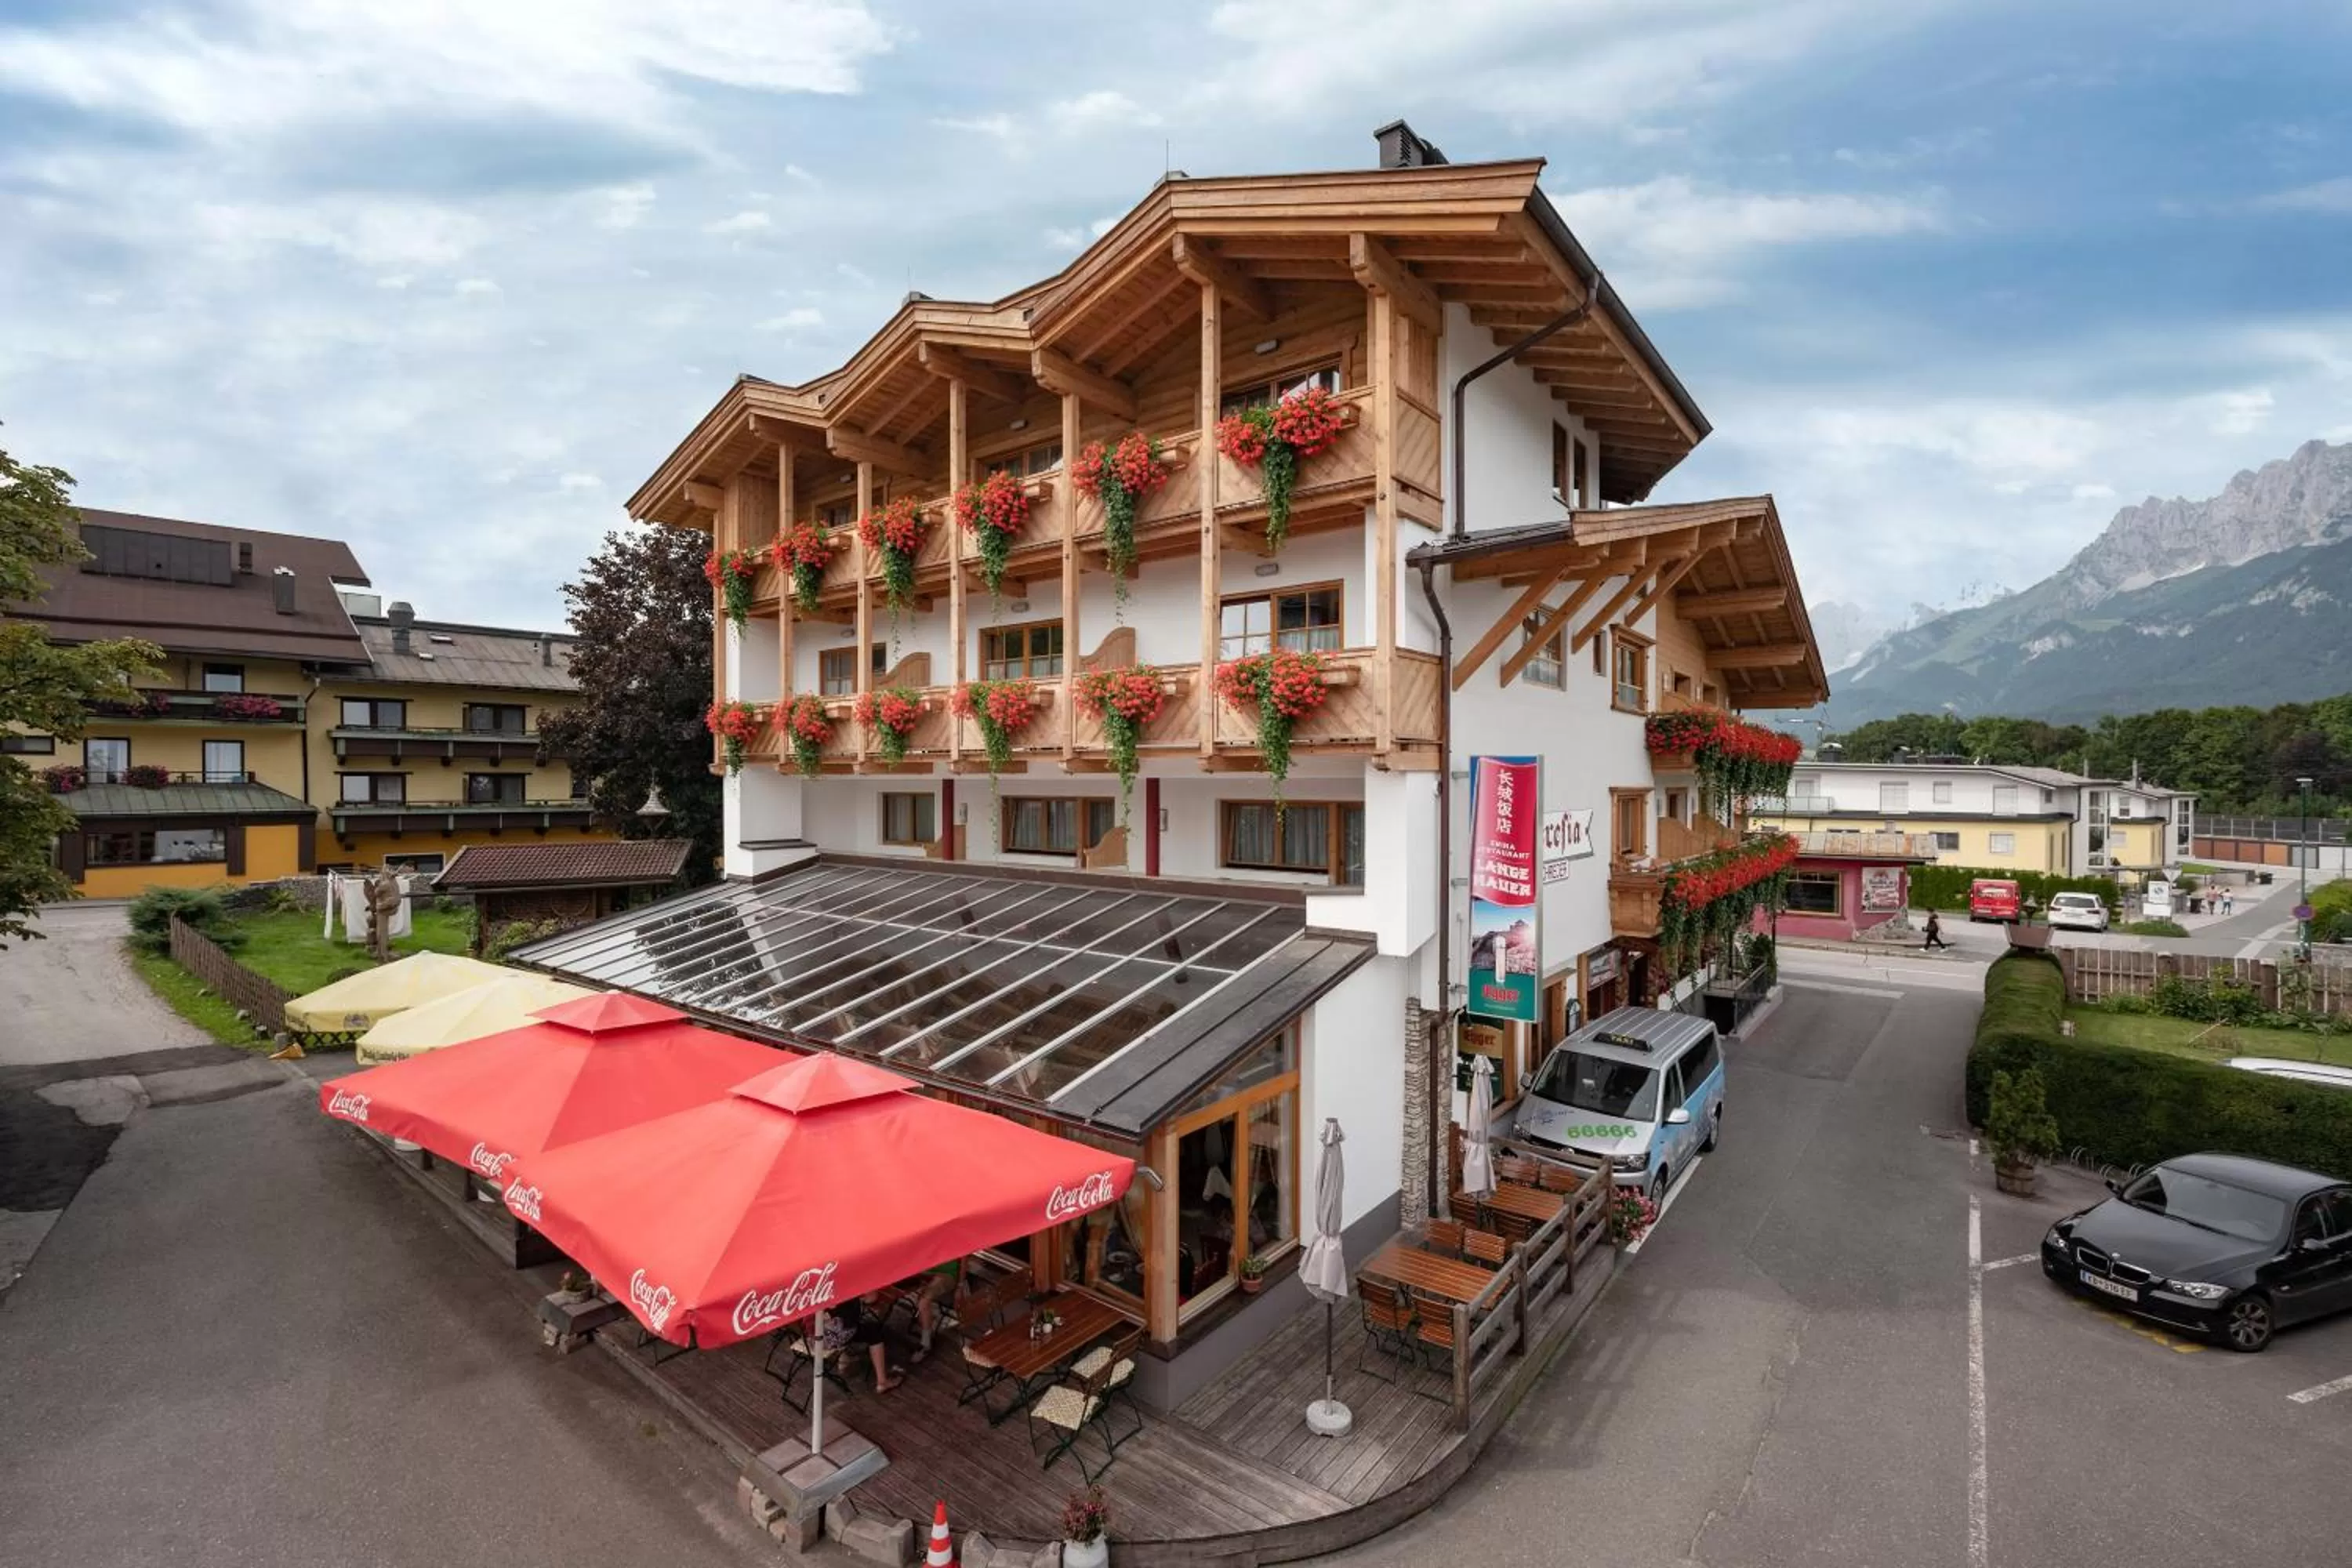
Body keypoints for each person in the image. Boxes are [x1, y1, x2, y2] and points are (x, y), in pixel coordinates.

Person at [827, 1293, 902, 1394]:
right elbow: (871, 1299)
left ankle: (845, 1359)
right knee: (875, 1333)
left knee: (843, 1319)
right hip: (834, 1336)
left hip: (810, 1337)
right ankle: (882, 1382)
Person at [909, 1255, 965, 1364]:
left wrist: (960, 1286)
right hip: (927, 1271)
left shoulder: (958, 1238)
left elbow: (964, 1261)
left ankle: (925, 1344)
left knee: (923, 1302)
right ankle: (927, 1323)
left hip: (947, 1275)